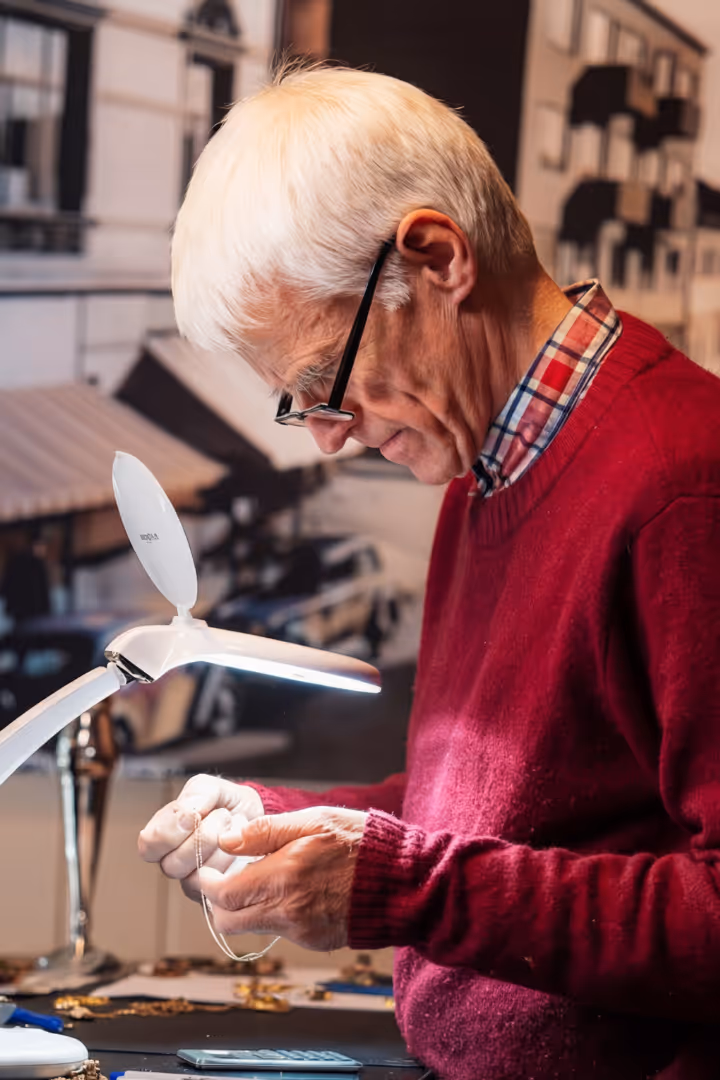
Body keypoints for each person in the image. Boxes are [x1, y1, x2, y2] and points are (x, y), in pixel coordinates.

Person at [138, 65, 720, 1079]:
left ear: (436, 256)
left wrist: (403, 886)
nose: (327, 439)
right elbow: (527, 810)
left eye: (325, 382)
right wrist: (290, 827)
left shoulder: (683, 484)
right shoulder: (484, 473)